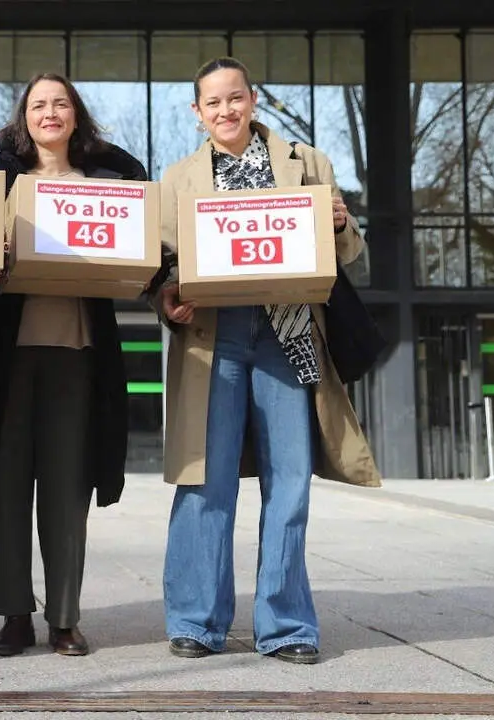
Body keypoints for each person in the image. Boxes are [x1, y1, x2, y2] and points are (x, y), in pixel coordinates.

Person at [149, 56, 381, 665]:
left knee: (289, 484)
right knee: (206, 479)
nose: (226, 110)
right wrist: (165, 297)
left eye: (235, 98)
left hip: (288, 334)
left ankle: (287, 626)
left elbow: (347, 251)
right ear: (196, 114)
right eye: (213, 103)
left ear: (252, 100)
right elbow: (163, 267)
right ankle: (197, 621)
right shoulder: (177, 179)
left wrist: (339, 223)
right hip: (214, 335)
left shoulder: (308, 164)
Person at [0, 74, 138, 658]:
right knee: (3, 487)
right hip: (7, 355)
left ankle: (64, 618)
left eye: (61, 103)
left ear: (77, 114)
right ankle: (13, 615)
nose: (50, 112)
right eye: (38, 104)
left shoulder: (108, 181)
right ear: (23, 119)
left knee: (67, 488)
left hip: (78, 352)